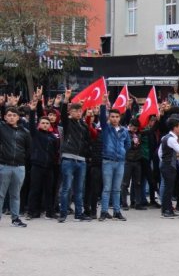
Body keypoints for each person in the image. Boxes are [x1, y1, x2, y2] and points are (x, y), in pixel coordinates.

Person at [59, 89, 92, 222]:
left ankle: (79, 214)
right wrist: (66, 99)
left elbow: (87, 141)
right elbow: (62, 115)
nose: (78, 113)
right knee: (66, 188)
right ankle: (63, 214)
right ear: (70, 112)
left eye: (80, 111)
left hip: (81, 161)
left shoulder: (84, 126)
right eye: (75, 111)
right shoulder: (67, 123)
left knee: (79, 190)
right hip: (68, 158)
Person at [26, 91, 58, 221]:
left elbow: (55, 151)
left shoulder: (53, 137)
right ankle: (32, 212)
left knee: (49, 190)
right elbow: (32, 124)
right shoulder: (36, 134)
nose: (45, 124)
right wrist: (33, 110)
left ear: (50, 125)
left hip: (49, 167)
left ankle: (49, 212)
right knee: (35, 189)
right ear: (39, 124)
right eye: (43, 123)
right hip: (37, 166)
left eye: (47, 123)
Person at [0, 101, 31, 227]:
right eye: (9, 115)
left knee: (15, 194)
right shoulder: (1, 128)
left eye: (14, 115)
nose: (11, 117)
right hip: (3, 166)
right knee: (0, 194)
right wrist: (2, 104)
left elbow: (29, 150)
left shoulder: (25, 132)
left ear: (18, 117)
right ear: (5, 117)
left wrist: (22, 161)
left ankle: (15, 219)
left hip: (19, 167)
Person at [99, 102, 131, 221]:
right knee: (107, 188)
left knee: (117, 188)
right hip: (108, 161)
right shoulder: (106, 128)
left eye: (117, 117)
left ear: (120, 118)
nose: (115, 119)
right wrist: (103, 105)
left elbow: (128, 144)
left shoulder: (124, 130)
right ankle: (104, 211)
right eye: (112, 116)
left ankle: (117, 211)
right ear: (109, 117)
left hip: (120, 162)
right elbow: (102, 118)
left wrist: (122, 152)